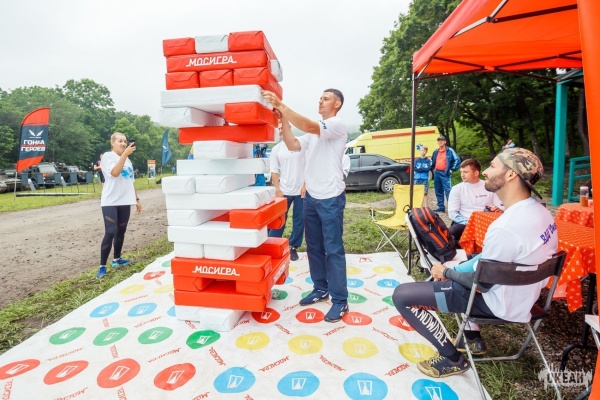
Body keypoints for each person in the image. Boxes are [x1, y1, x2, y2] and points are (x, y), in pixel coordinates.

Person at [392, 147, 557, 378]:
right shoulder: (542, 213)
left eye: (493, 166)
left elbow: (481, 284)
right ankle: (470, 337)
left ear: (511, 174)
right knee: (461, 260)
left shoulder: (505, 227)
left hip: (498, 303)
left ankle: (453, 358)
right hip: (525, 298)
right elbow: (494, 259)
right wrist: (458, 268)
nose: (486, 171)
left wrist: (446, 273)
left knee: (402, 296)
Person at [262, 88, 348, 323]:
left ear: (337, 104)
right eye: (320, 98)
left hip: (330, 197)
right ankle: (320, 288)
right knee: (314, 247)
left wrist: (282, 106)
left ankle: (340, 300)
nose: (320, 101)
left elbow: (309, 126)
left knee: (333, 249)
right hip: (310, 196)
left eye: (326, 98)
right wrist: (283, 120)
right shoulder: (313, 134)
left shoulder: (336, 124)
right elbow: (292, 145)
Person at [96, 133, 142, 279]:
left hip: (125, 200)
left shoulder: (128, 160)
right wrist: (124, 155)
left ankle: (117, 259)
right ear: (112, 143)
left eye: (125, 141)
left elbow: (130, 181)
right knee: (110, 232)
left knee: (121, 230)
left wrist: (136, 199)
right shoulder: (107, 157)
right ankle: (102, 267)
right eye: (120, 141)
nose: (123, 143)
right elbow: (115, 173)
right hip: (110, 200)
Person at [447, 158, 504, 242]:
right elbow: (452, 213)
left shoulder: (489, 186)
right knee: (449, 233)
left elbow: (501, 207)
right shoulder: (457, 189)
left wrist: (497, 209)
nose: (462, 175)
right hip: (465, 223)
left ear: (476, 173)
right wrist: (470, 223)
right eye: (461, 172)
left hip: (486, 222)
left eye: (465, 172)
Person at [268, 140, 306, 262]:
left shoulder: (301, 145)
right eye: (279, 130)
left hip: (300, 191)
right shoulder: (277, 149)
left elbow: (309, 166)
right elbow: (274, 171)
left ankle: (293, 247)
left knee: (299, 220)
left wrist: (305, 185)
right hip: (284, 190)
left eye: (283, 129)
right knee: (279, 219)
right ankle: (272, 245)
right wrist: (277, 189)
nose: (281, 131)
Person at [430, 135, 461, 213]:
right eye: (439, 140)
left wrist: (452, 169)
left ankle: (451, 208)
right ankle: (441, 207)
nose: (440, 142)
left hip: (445, 173)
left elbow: (457, 160)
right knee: (438, 190)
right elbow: (432, 160)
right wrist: (433, 168)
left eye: (441, 140)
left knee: (448, 190)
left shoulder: (449, 150)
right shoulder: (436, 151)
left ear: (445, 142)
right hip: (437, 173)